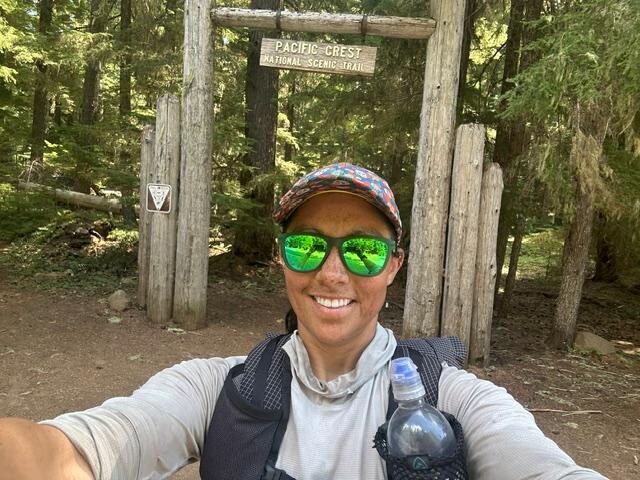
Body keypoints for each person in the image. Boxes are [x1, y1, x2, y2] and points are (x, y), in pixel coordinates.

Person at [0, 163, 606, 480]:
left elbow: (543, 467)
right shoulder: (215, 389)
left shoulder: (457, 401)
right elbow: (87, 448)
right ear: (282, 259)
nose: (332, 273)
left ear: (393, 266)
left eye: (362, 250)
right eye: (308, 246)